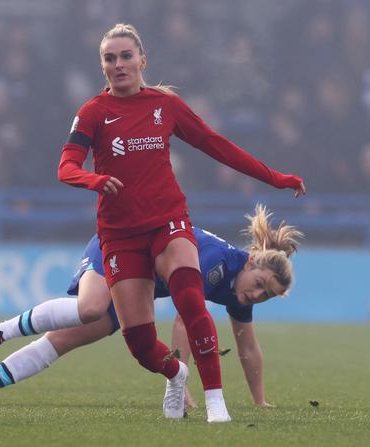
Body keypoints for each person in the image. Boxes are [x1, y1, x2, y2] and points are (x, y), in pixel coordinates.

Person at [54, 23, 304, 422]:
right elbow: (65, 167)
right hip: (120, 234)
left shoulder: (165, 106)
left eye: (126, 56)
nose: (119, 64)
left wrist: (275, 178)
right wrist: (95, 180)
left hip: (168, 220)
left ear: (142, 60)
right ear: (103, 65)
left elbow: (217, 146)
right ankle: (176, 374)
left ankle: (216, 402)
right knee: (139, 342)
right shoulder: (92, 113)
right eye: (110, 58)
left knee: (190, 296)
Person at [0, 205, 303, 413]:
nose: (257, 295)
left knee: (67, 339)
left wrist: (259, 402)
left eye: (266, 297)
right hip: (122, 245)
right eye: (260, 284)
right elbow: (186, 319)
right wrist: (181, 383)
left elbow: (248, 345)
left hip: (139, 283)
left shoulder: (239, 291)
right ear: (252, 261)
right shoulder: (217, 260)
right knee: (90, 308)